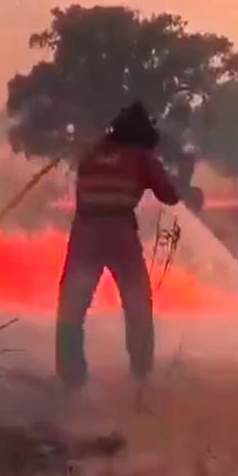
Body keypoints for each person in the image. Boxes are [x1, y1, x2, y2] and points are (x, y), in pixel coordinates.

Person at [56, 101, 181, 391]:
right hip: (119, 233)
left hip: (85, 232)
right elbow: (170, 195)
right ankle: (141, 374)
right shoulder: (141, 156)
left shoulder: (93, 151)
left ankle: (70, 379)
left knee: (72, 306)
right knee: (137, 301)